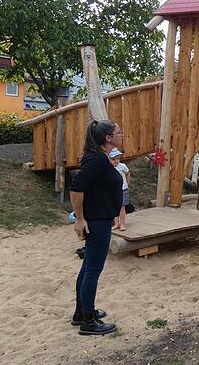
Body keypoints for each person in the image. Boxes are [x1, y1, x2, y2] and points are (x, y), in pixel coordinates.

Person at [69, 119, 123, 336]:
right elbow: (76, 187)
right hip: (96, 222)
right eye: (119, 132)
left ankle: (81, 313)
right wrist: (80, 219)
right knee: (93, 270)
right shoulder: (97, 160)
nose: (122, 134)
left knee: (87, 268)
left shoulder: (98, 157)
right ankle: (88, 322)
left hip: (101, 218)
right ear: (108, 138)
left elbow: (98, 189)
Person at [109, 148, 130, 231]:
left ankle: (122, 224)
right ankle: (116, 223)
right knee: (114, 208)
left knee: (122, 207)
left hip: (123, 189)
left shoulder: (122, 166)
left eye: (118, 158)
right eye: (113, 159)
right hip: (113, 191)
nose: (116, 161)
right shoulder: (108, 168)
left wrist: (127, 184)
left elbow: (128, 173)